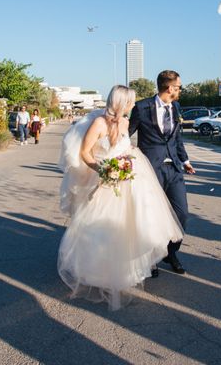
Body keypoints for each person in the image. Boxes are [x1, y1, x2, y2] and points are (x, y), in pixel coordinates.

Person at [57, 85, 183, 311]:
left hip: (129, 180)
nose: (133, 105)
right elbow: (85, 153)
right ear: (120, 102)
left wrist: (127, 164)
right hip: (105, 180)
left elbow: (127, 149)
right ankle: (98, 271)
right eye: (130, 102)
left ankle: (127, 272)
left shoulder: (125, 123)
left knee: (132, 226)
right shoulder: (99, 124)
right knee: (101, 229)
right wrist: (104, 169)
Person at [129, 70, 196, 275]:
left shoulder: (175, 106)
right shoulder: (142, 107)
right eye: (179, 87)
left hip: (174, 168)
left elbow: (176, 138)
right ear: (170, 88)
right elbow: (127, 133)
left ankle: (170, 251)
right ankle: (151, 258)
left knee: (181, 213)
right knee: (151, 216)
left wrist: (185, 160)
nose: (180, 90)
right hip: (150, 169)